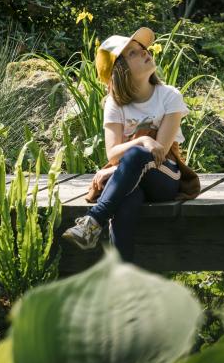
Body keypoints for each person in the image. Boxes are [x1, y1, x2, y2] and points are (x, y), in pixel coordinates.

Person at [61, 26, 199, 262]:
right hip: (132, 179)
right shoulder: (115, 104)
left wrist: (121, 165)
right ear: (120, 70)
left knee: (137, 155)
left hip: (164, 175)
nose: (145, 52)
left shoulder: (169, 96)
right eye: (133, 53)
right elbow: (113, 153)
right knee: (127, 200)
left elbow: (160, 152)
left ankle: (94, 220)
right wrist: (142, 140)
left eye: (142, 48)